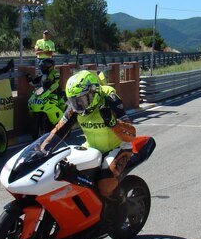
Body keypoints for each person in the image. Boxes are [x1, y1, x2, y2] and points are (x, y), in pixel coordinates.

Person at [41, 69, 136, 199]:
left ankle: (116, 208)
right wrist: (43, 147)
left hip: (118, 146)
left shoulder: (110, 98)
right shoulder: (75, 108)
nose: (78, 105)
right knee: (63, 173)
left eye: (82, 100)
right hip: (91, 147)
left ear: (94, 92)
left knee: (105, 185)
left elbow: (131, 133)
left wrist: (114, 124)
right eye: (74, 101)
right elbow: (60, 129)